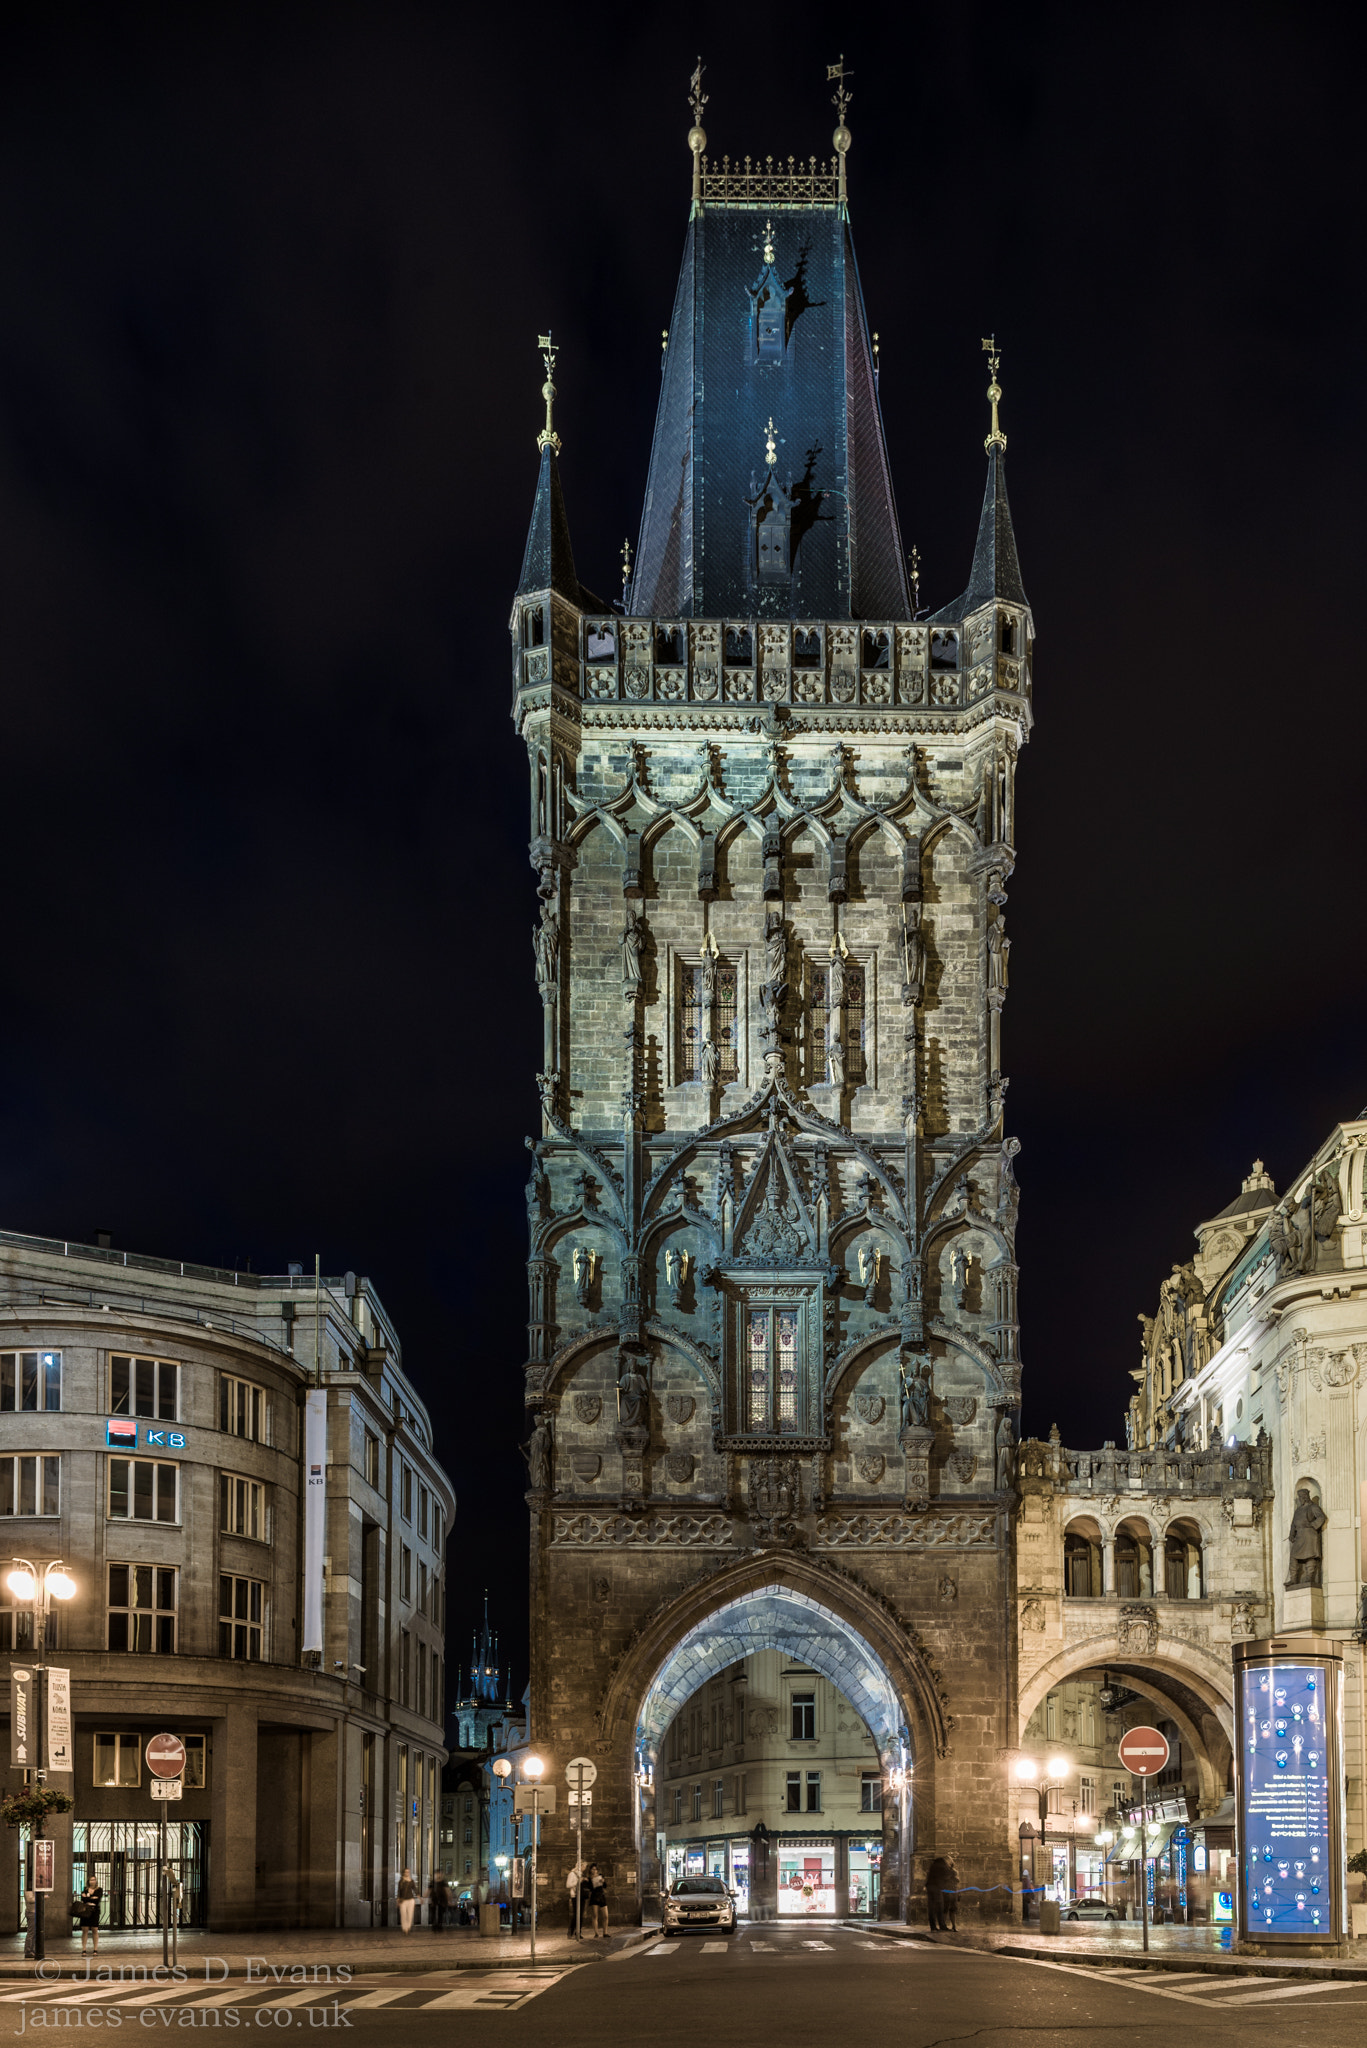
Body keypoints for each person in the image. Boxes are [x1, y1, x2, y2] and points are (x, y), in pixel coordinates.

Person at [75, 1880, 103, 1955]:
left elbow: (97, 1900)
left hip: (95, 1911)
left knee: (95, 1929)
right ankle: (84, 1949)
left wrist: (88, 1898)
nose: (92, 1881)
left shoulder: (99, 1890)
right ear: (88, 1881)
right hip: (85, 1911)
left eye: (94, 1880)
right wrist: (92, 1898)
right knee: (85, 1930)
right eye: (91, 1880)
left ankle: (95, 1949)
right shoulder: (85, 1889)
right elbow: (83, 1899)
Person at [925, 1856, 952, 1933]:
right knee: (940, 1907)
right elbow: (947, 1875)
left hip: (930, 1887)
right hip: (937, 1888)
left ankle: (933, 1927)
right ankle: (942, 1925)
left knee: (931, 1908)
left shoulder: (933, 1865)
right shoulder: (943, 1866)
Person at [565, 1859, 589, 1938]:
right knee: (576, 1914)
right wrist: (579, 1881)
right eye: (584, 1866)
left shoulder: (581, 1874)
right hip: (575, 1896)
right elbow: (568, 1885)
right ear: (580, 1866)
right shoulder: (572, 1874)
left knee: (580, 1915)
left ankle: (578, 1932)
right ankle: (571, 1932)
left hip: (581, 1896)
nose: (585, 1868)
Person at [588, 1863, 609, 1939]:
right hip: (594, 1896)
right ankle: (596, 1933)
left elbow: (605, 1886)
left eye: (595, 1869)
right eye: (593, 1869)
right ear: (590, 1870)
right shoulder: (589, 1878)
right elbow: (590, 1888)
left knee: (605, 1916)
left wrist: (603, 1881)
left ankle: (605, 1932)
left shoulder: (601, 1876)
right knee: (595, 1915)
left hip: (601, 1896)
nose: (594, 1871)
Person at [941, 1858, 960, 1932]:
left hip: (953, 1892)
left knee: (952, 1910)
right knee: (945, 1910)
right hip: (947, 1893)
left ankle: (954, 1926)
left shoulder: (955, 1872)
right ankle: (943, 1925)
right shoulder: (945, 1873)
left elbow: (957, 1882)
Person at [397, 1867, 418, 1933]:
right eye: (406, 1872)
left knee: (410, 1914)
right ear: (403, 1873)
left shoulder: (411, 1881)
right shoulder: (401, 1881)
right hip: (403, 1900)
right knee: (403, 1914)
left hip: (411, 1900)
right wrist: (398, 1900)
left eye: (408, 1872)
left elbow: (415, 1889)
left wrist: (419, 1896)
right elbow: (399, 1891)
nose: (407, 1873)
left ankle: (408, 1927)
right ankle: (404, 1928)